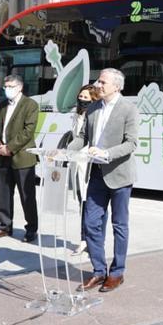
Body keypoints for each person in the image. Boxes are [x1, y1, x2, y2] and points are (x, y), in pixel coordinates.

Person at [70, 68, 138, 293]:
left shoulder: (128, 109)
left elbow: (131, 144)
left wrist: (106, 153)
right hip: (97, 176)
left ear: (116, 86)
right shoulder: (93, 108)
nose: (97, 85)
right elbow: (83, 138)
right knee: (90, 224)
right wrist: (63, 151)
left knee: (119, 225)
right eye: (98, 81)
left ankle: (117, 273)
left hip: (119, 176)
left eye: (102, 82)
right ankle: (98, 271)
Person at [0, 74, 40, 243]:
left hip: (22, 157)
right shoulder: (2, 105)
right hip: (3, 157)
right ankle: (4, 227)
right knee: (3, 195)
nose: (6, 89)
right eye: (5, 86)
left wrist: (9, 147)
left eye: (10, 86)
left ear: (19, 88)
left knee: (27, 196)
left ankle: (31, 228)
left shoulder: (30, 105)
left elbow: (28, 131)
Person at [57, 85, 98, 256]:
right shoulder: (77, 114)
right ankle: (84, 239)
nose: (82, 100)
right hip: (77, 161)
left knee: (91, 204)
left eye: (86, 98)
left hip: (88, 162)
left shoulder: (95, 115)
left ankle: (92, 239)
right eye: (80, 96)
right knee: (82, 202)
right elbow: (77, 137)